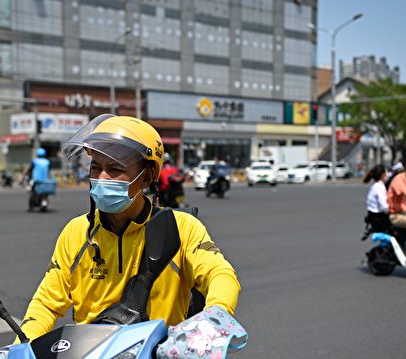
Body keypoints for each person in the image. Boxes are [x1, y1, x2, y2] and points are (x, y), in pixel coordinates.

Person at [17, 114, 240, 341]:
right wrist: (17, 350)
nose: (102, 177)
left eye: (115, 169)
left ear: (147, 177)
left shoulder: (182, 227)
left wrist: (215, 317)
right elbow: (46, 303)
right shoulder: (75, 232)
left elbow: (220, 274)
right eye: (96, 167)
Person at [363, 164, 391, 232]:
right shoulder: (380, 187)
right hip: (379, 218)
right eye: (386, 173)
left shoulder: (375, 185)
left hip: (373, 217)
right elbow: (384, 207)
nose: (387, 176)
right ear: (383, 175)